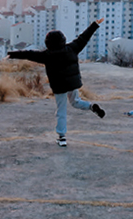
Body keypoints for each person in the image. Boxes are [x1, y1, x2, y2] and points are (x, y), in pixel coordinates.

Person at [7, 18, 106, 147]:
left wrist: (12, 54)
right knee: (75, 102)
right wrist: (94, 25)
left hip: (59, 86)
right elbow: (84, 37)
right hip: (72, 83)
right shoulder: (72, 48)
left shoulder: (46, 55)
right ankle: (91, 107)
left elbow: (28, 54)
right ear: (63, 40)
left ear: (48, 43)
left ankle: (62, 137)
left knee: (62, 110)